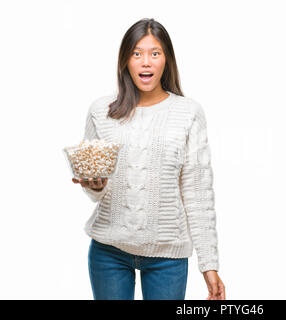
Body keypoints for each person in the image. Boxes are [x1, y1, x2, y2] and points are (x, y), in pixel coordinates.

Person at [72, 18, 225, 300]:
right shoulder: (100, 112)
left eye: (155, 53)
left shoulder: (188, 113)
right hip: (108, 252)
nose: (146, 62)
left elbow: (197, 193)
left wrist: (209, 265)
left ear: (166, 60)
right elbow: (94, 192)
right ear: (125, 61)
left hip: (168, 256)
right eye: (137, 53)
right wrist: (93, 185)